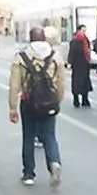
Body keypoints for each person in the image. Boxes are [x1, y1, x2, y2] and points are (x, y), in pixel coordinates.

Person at [8, 26, 67, 186]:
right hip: (49, 103)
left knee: (28, 136)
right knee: (49, 136)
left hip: (28, 102)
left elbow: (14, 85)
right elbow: (62, 84)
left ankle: (28, 174)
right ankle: (54, 162)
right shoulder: (56, 57)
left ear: (30, 39)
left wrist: (12, 107)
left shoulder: (21, 57)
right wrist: (57, 101)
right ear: (44, 39)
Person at [67, 24, 93, 107]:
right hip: (78, 65)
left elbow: (88, 50)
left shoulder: (85, 40)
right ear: (78, 30)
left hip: (84, 64)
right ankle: (77, 100)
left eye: (85, 30)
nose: (84, 32)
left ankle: (84, 100)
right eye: (83, 30)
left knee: (83, 83)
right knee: (78, 83)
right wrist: (69, 63)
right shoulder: (75, 41)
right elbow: (71, 52)